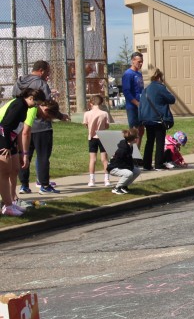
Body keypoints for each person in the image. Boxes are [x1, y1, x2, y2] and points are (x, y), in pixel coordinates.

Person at [0, 89, 60, 216]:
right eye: (37, 103)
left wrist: (21, 152)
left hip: (11, 139)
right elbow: (4, 126)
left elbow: (19, 130)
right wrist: (6, 146)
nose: (37, 106)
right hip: (3, 139)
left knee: (15, 169)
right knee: (4, 172)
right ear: (31, 98)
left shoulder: (25, 107)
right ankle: (7, 206)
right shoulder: (19, 105)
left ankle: (11, 201)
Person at [15, 60, 70, 194]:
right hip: (41, 126)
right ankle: (44, 185)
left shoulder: (19, 82)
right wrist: (60, 116)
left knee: (25, 155)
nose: (48, 75)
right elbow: (47, 107)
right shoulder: (41, 84)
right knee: (43, 156)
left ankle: (24, 185)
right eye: (47, 72)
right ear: (41, 70)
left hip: (23, 125)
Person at [138, 67, 176, 171]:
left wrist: (140, 120)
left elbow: (141, 106)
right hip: (159, 119)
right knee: (160, 142)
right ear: (159, 76)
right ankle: (159, 164)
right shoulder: (160, 88)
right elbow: (172, 99)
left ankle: (146, 164)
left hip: (147, 119)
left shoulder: (145, 90)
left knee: (149, 141)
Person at [83, 94, 113, 187]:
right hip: (103, 136)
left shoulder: (87, 114)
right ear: (101, 103)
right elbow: (107, 126)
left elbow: (86, 125)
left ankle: (92, 180)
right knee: (104, 159)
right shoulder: (104, 113)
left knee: (92, 159)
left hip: (92, 137)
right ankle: (107, 180)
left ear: (91, 103)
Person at [107, 128, 141, 195]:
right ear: (134, 139)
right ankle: (116, 188)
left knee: (137, 171)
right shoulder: (123, 149)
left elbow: (128, 160)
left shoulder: (130, 146)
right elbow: (119, 163)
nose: (138, 138)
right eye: (137, 137)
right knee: (129, 173)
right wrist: (129, 167)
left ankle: (124, 186)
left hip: (122, 166)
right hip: (113, 168)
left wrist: (131, 166)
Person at [122, 52, 145, 148]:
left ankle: (137, 153)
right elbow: (126, 92)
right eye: (139, 61)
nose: (141, 64)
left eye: (142, 62)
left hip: (141, 106)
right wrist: (136, 103)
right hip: (132, 107)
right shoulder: (128, 74)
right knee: (134, 131)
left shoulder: (139, 74)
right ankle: (132, 152)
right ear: (133, 61)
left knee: (141, 131)